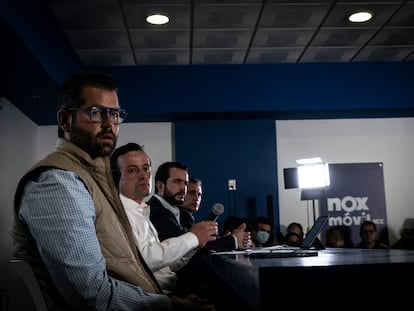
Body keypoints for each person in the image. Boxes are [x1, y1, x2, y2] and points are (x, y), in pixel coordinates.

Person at [11, 72, 212, 311]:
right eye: (95, 112)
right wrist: (168, 304)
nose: (109, 124)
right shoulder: (58, 183)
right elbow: (91, 295)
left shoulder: (91, 179)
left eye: (115, 114)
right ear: (65, 120)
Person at [110, 142, 217, 296]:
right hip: (151, 298)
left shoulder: (143, 210)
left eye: (146, 169)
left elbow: (165, 266)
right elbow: (143, 261)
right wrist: (192, 237)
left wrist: (194, 246)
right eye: (132, 170)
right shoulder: (118, 213)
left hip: (168, 292)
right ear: (115, 177)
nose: (143, 175)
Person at [148, 162, 250, 251]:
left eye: (186, 183)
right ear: (160, 186)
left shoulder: (172, 210)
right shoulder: (157, 210)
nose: (184, 188)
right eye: (177, 181)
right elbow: (187, 244)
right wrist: (234, 240)